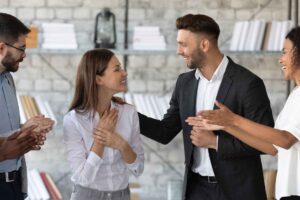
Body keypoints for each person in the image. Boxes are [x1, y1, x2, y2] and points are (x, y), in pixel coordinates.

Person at [138, 13, 274, 200]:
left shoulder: (248, 84)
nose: (178, 51)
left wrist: (215, 142)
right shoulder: (184, 83)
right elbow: (165, 132)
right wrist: (127, 114)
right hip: (197, 190)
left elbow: (267, 144)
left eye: (183, 44)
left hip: (238, 191)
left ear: (204, 45)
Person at [187, 27, 300, 200]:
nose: (280, 59)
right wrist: (227, 125)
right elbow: (272, 147)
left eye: (285, 52)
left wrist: (234, 119)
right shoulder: (295, 94)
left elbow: (285, 140)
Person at [63, 48, 144, 200]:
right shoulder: (73, 120)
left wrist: (121, 144)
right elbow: (83, 178)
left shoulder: (128, 113)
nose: (124, 73)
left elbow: (138, 169)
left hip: (122, 195)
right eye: (117, 69)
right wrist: (101, 137)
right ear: (98, 79)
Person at [0, 13, 54, 200]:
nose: (24, 55)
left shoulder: (8, 80)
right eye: (21, 48)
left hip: (14, 184)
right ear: (1, 48)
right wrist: (4, 152)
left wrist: (25, 130)